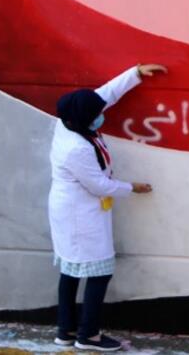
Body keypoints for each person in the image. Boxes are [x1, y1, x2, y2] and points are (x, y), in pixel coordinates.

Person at [49, 63, 166, 351]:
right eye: (96, 115)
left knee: (71, 270)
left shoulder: (69, 119)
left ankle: (66, 331)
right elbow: (99, 186)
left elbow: (103, 95)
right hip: (80, 213)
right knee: (98, 271)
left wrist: (136, 73)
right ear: (85, 119)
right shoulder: (76, 148)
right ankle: (88, 335)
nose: (102, 116)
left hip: (71, 209)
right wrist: (132, 188)